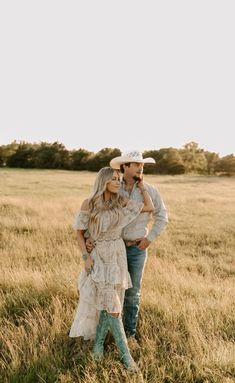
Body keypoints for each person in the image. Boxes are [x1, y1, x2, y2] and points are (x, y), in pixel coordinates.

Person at [69, 166, 154, 372]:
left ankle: (98, 345)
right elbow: (80, 234)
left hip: (117, 254)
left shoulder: (120, 201)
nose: (118, 182)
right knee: (112, 305)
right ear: (104, 181)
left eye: (119, 179)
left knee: (110, 303)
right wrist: (85, 257)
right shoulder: (89, 203)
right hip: (98, 255)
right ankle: (126, 356)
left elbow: (149, 207)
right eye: (114, 179)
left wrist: (141, 186)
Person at [109, 150, 168, 350]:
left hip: (137, 249)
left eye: (141, 164)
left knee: (132, 293)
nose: (140, 167)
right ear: (124, 167)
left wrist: (149, 239)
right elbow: (99, 214)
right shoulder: (114, 188)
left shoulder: (150, 190)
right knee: (112, 290)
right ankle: (111, 331)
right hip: (115, 247)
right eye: (135, 164)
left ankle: (129, 335)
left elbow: (162, 217)